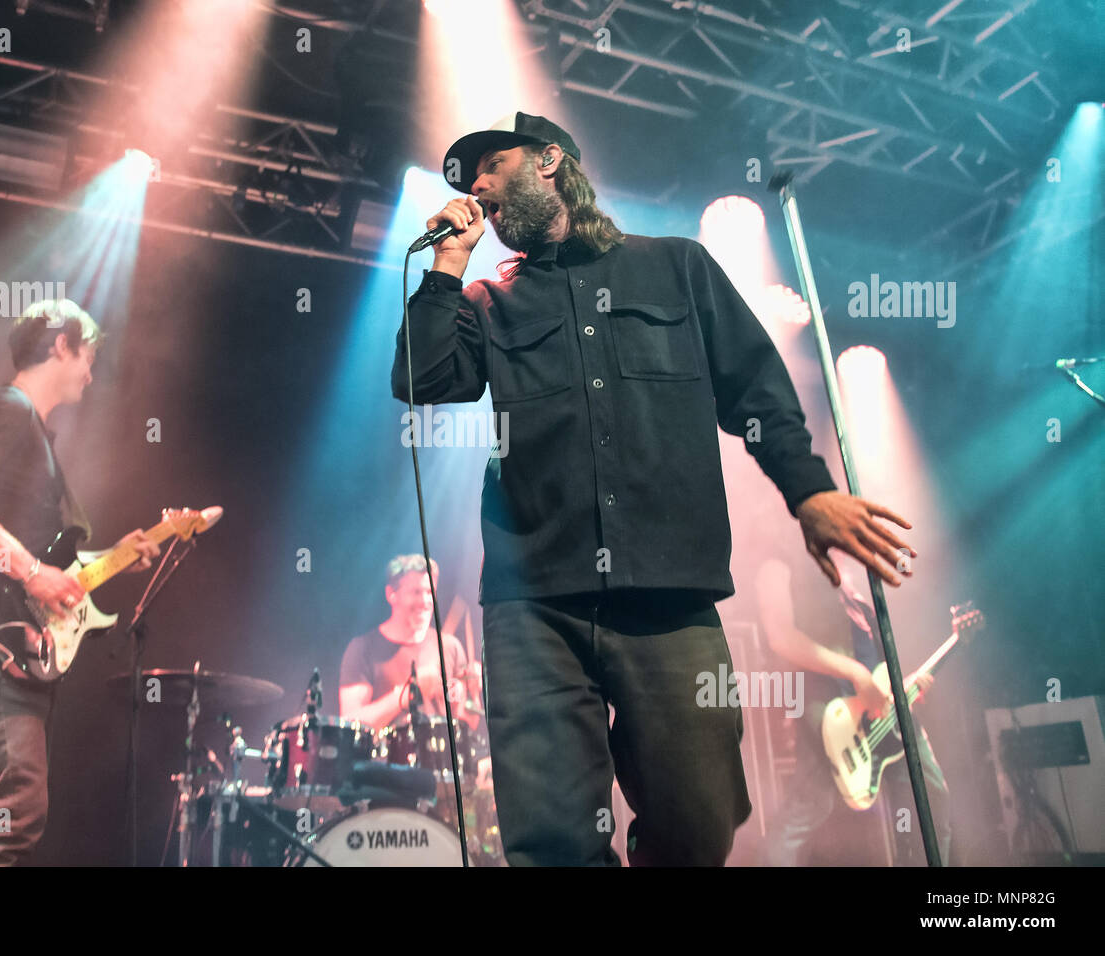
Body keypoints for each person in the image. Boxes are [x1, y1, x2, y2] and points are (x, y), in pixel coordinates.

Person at [393, 111, 918, 865]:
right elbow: (420, 378)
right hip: (535, 602)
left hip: (669, 593)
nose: (475, 186)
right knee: (552, 841)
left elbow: (756, 391)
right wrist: (447, 266)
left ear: (549, 163)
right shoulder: (488, 301)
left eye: (490, 166)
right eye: (467, 179)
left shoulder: (678, 267)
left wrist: (808, 492)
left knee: (700, 822)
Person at [0, 299, 160, 865]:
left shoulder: (35, 434)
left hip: (9, 644)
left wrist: (121, 553)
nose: (90, 373)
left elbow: (53, 559)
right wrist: (31, 572)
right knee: (13, 810)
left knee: (11, 813)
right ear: (61, 345)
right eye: (89, 357)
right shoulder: (6, 409)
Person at [757, 549, 951, 866]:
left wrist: (902, 685)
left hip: (886, 710)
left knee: (930, 803)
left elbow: (873, 653)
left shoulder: (856, 570)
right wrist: (856, 675)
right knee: (806, 810)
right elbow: (781, 638)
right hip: (833, 712)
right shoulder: (780, 561)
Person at [338, 554, 473, 730]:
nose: (425, 601)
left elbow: (468, 726)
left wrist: (463, 702)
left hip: (440, 756)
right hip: (384, 757)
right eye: (416, 592)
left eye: (430, 592)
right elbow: (349, 724)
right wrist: (407, 693)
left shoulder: (450, 647)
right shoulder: (363, 648)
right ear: (391, 594)